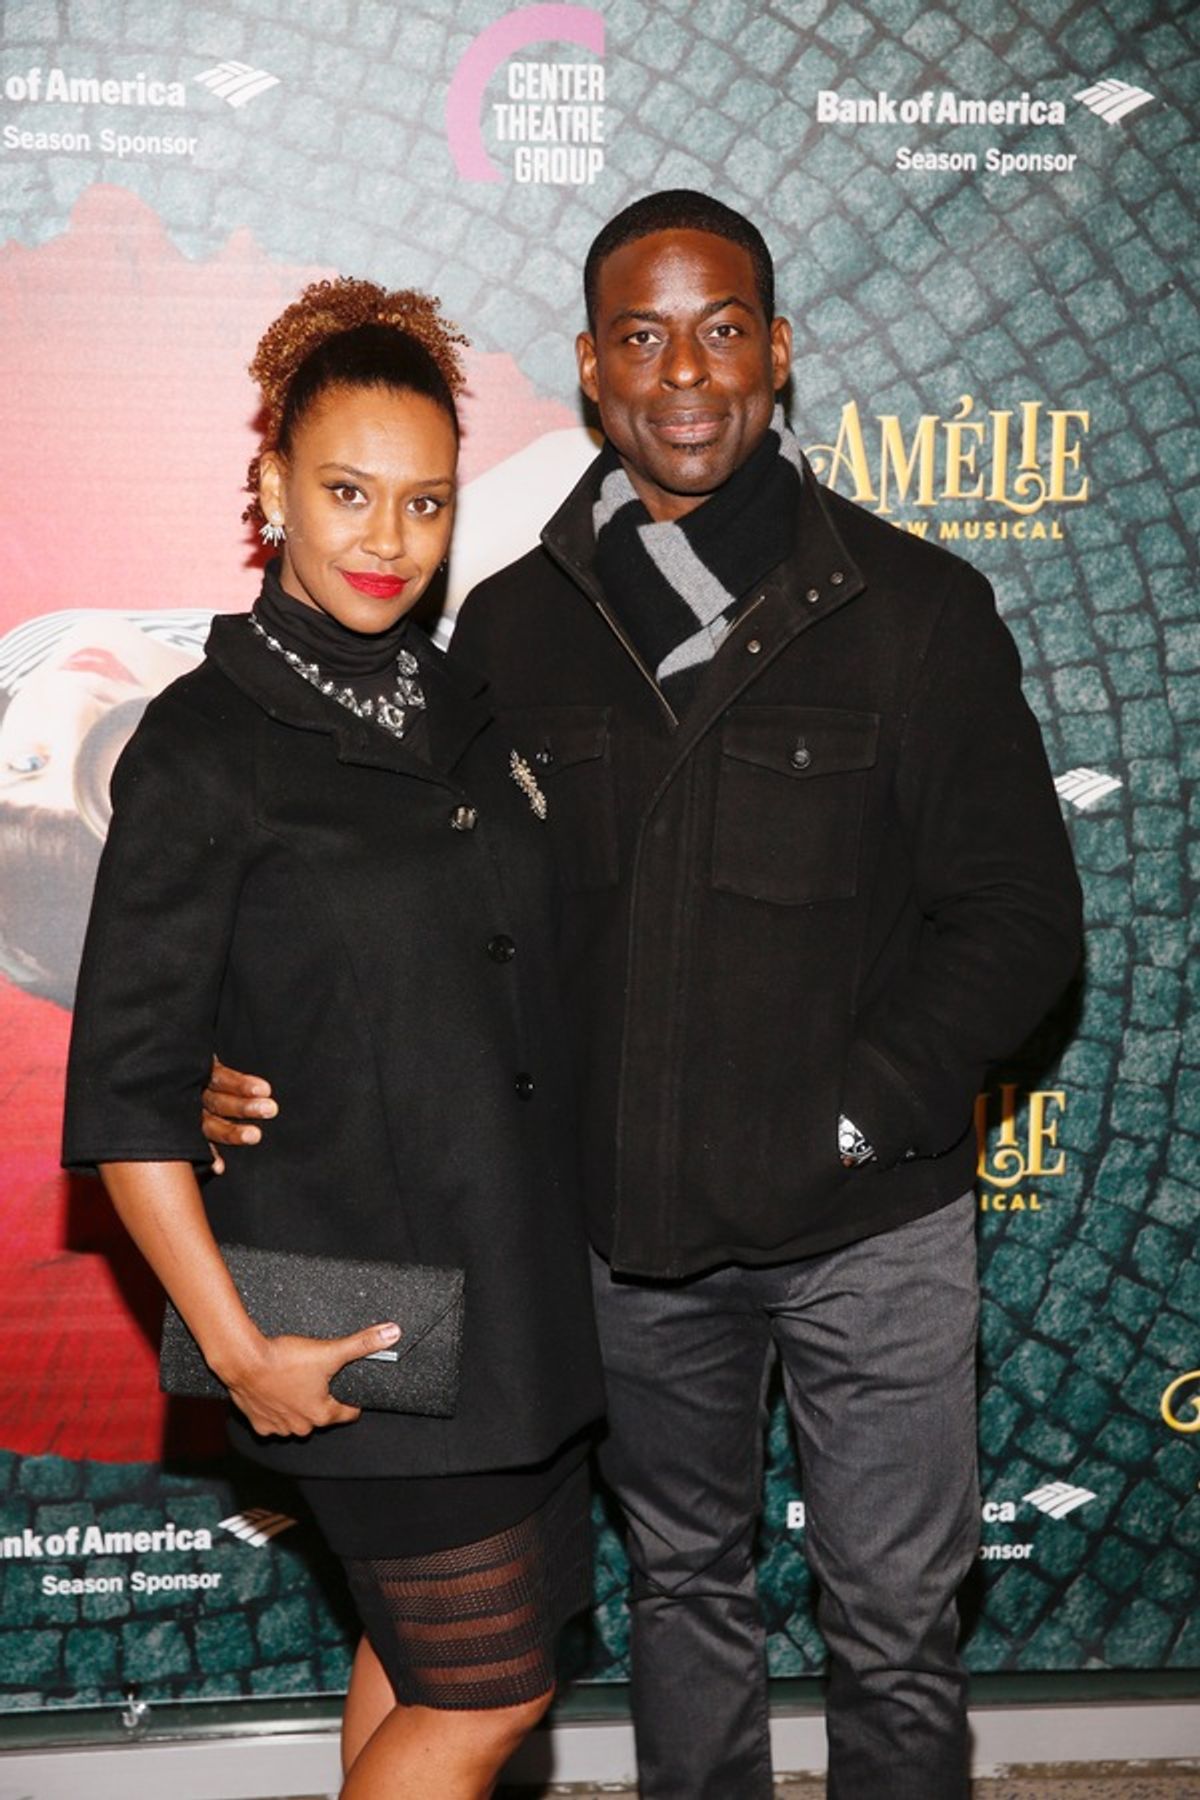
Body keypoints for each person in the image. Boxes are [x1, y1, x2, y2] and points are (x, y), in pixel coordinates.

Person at [204, 196, 1083, 1799]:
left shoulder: (918, 612)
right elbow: (411, 909)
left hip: (871, 1230)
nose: (688, 372)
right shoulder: (518, 629)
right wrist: (230, 1052)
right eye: (644, 336)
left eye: (725, 328)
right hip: (632, 1240)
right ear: (597, 372)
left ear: (781, 353)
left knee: (894, 1621)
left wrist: (857, 1105)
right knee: (685, 1595)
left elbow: (1023, 923)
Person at [62, 276, 604, 1800]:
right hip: (354, 1321)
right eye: (348, 492)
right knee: (488, 1700)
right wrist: (241, 1352)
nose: (387, 538)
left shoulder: (465, 705)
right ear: (270, 489)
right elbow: (128, 1096)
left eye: (424, 502)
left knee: (421, 1661)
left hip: (522, 1297)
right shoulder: (203, 743)